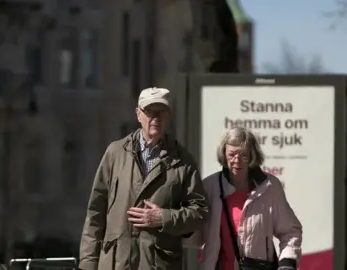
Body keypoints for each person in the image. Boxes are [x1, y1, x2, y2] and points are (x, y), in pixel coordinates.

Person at [78, 87, 209, 270]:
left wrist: (163, 217)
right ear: (138, 114)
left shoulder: (183, 160)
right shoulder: (115, 153)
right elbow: (95, 213)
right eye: (149, 111)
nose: (155, 118)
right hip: (115, 263)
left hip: (158, 264)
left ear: (169, 116)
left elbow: (199, 212)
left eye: (161, 112)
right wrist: (88, 264)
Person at [188, 127, 302, 270]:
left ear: (252, 155)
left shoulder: (270, 187)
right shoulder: (210, 186)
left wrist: (287, 264)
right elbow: (198, 237)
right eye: (232, 154)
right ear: (224, 154)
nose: (237, 160)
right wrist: (175, 222)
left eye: (243, 155)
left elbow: (290, 231)